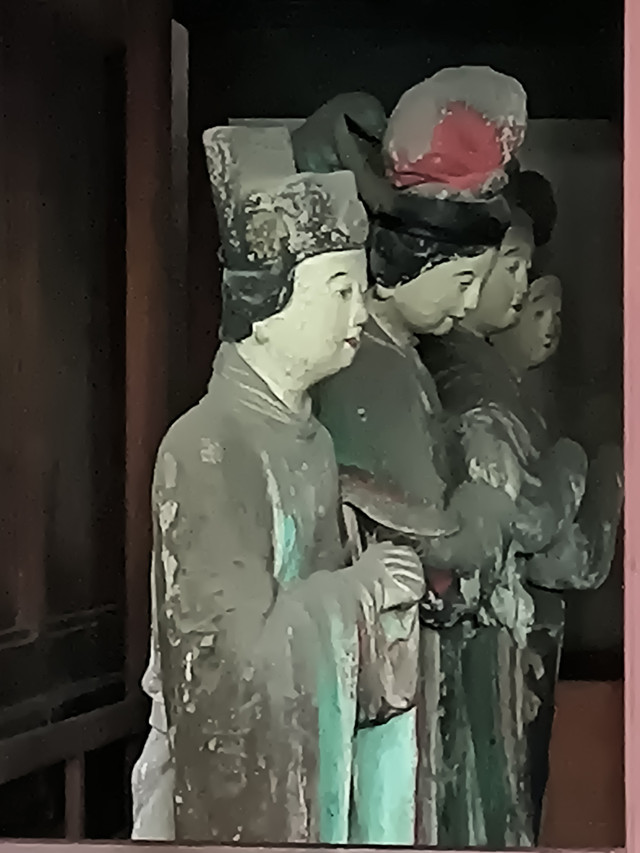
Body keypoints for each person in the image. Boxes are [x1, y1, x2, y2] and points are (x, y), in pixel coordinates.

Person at [131, 125, 427, 843]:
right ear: (266, 304)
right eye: (340, 290)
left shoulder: (313, 442)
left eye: (362, 291)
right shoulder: (206, 446)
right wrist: (362, 594)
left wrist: (378, 607)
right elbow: (227, 676)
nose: (360, 314)